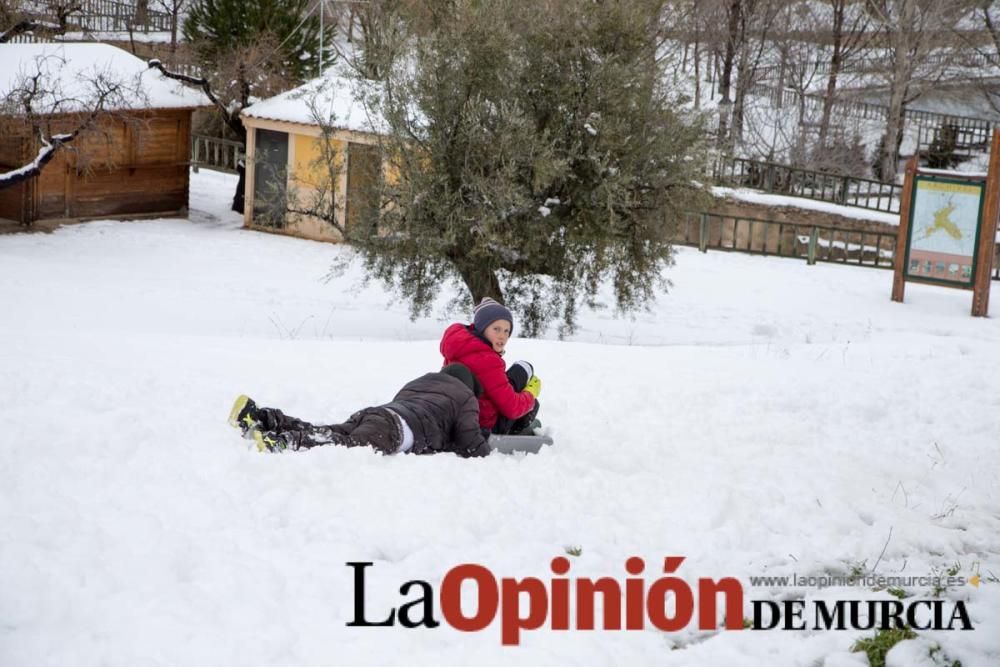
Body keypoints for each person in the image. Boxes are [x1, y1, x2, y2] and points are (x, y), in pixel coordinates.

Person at [227, 363, 491, 457]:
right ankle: (282, 443)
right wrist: (485, 444)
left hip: (378, 414)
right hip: (397, 430)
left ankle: (263, 418)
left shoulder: (419, 381)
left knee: (328, 432)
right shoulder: (465, 396)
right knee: (344, 445)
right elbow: (470, 443)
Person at [440, 297, 541, 435]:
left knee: (518, 371)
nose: (502, 336)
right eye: (496, 329)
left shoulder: (460, 348)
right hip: (485, 425)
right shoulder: (487, 360)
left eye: (506, 331)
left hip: (462, 417)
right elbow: (513, 408)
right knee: (533, 403)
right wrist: (530, 394)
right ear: (482, 328)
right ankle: (516, 430)